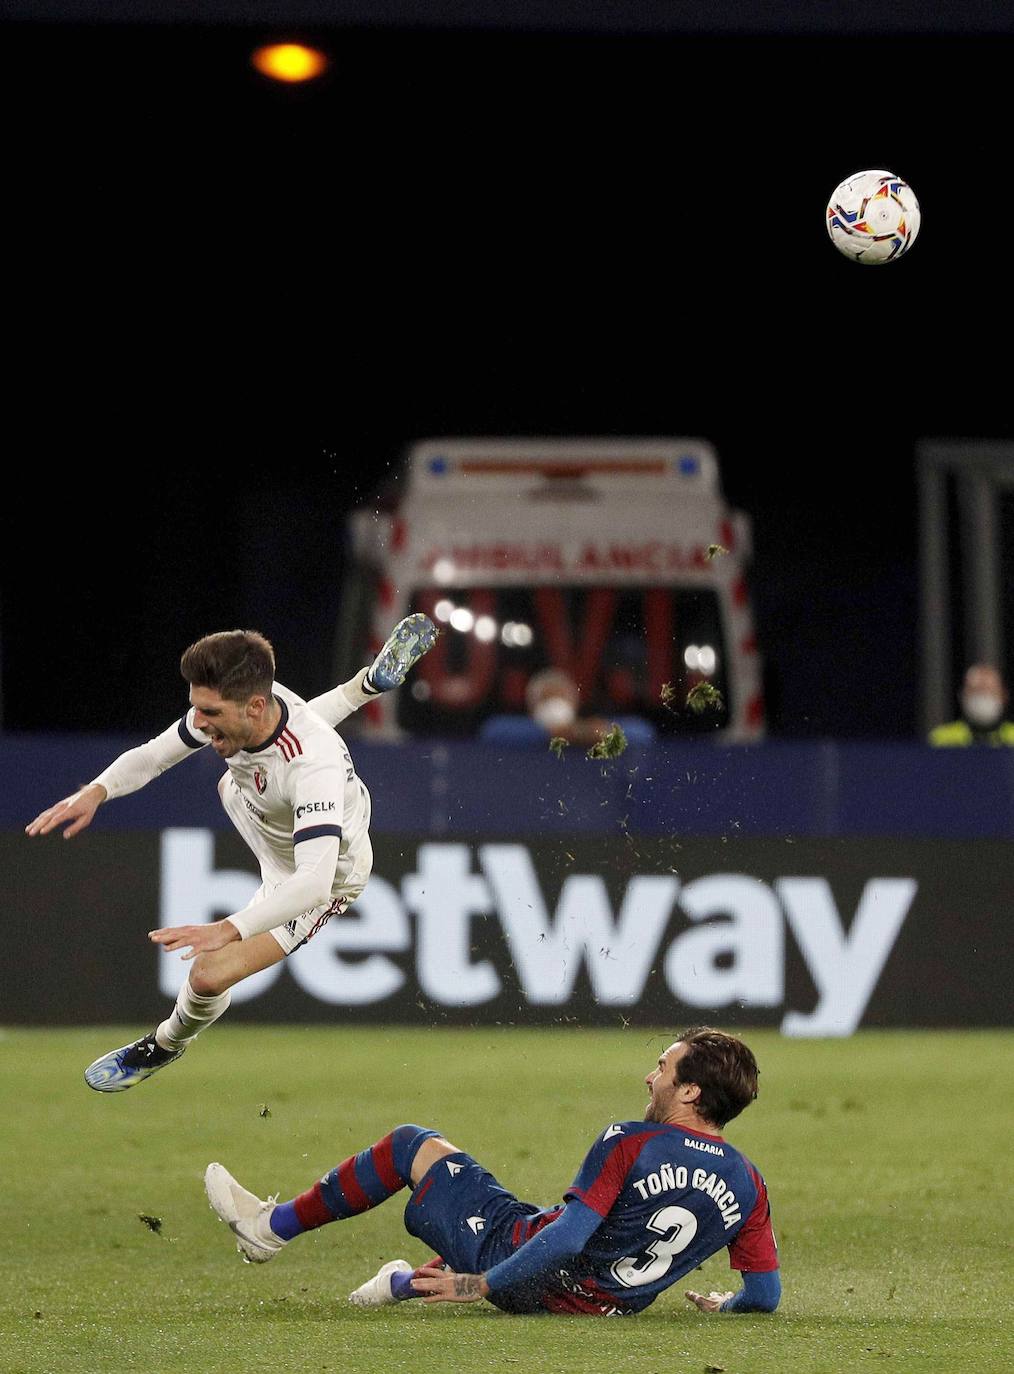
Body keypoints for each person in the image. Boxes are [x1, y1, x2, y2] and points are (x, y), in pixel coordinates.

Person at [25, 613, 437, 1092]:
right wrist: (97, 791)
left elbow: (313, 881)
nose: (199, 723)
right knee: (235, 774)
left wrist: (227, 928)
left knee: (206, 977)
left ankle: (164, 1043)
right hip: (271, 821)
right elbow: (156, 754)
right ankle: (368, 683)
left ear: (256, 705)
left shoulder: (312, 764)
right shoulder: (245, 707)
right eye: (196, 709)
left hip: (323, 877)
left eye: (211, 714)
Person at [204, 1026, 780, 1318]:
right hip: (602, 1307)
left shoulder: (633, 1140)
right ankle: (398, 1284)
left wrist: (481, 1284)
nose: (648, 1079)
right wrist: (726, 1305)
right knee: (505, 1216)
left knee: (412, 1146)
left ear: (690, 1090)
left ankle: (268, 1230)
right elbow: (765, 1294)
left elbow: (569, 1237)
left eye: (661, 1068)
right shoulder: (750, 1183)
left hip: (524, 1275)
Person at [480, 667, 655, 747]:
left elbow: (643, 732)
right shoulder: (514, 730)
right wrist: (551, 733)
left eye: (561, 697)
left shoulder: (592, 731)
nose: (555, 705)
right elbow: (492, 731)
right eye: (547, 698)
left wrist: (592, 733)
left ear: (575, 703)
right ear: (532, 706)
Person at [928, 663, 1014, 746]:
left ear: (1004, 696)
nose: (982, 697)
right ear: (961, 695)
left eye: (988, 690)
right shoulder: (941, 738)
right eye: (975, 690)